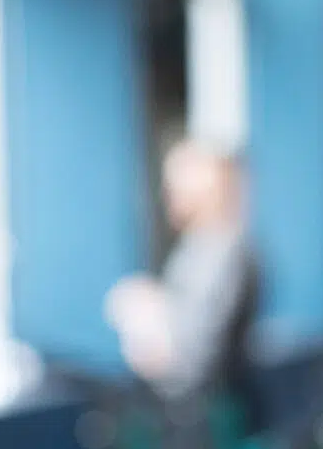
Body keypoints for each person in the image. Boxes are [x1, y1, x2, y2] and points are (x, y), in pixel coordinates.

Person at [103, 138, 262, 426]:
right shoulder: (204, 247)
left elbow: (190, 361)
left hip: (208, 421)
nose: (168, 194)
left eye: (176, 184)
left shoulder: (219, 251)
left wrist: (143, 317)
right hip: (209, 413)